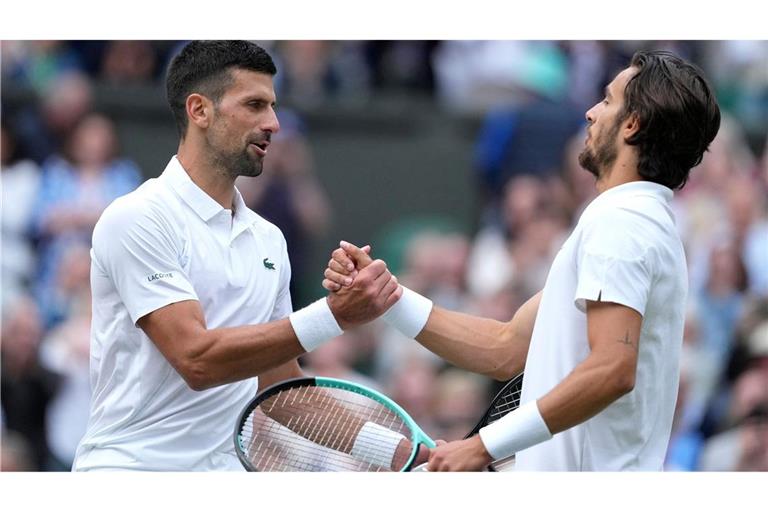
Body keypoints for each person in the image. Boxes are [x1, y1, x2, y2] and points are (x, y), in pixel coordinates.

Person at [324, 50, 721, 470]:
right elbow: (506, 347)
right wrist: (388, 299)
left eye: (606, 101)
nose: (589, 113)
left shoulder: (622, 222)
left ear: (632, 123)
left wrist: (482, 447)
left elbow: (612, 369)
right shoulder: (638, 220)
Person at [71, 40, 402, 471]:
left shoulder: (269, 241)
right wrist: (334, 316)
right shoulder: (136, 218)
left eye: (273, 106)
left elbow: (282, 391)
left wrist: (403, 455)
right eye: (254, 105)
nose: (274, 124)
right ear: (200, 110)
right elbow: (197, 359)